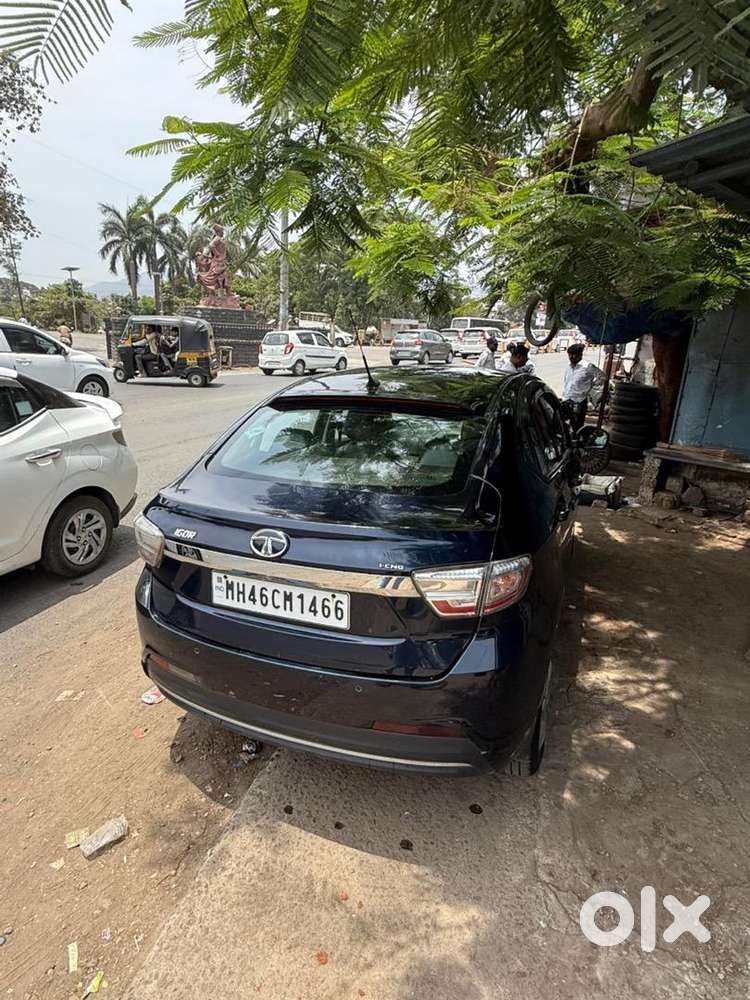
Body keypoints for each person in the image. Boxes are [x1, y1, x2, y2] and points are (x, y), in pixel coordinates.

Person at [561, 343, 606, 429]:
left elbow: (603, 377)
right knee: (564, 425)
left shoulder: (588, 366)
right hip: (567, 400)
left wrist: (592, 384)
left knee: (577, 427)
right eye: (569, 355)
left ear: (580, 355)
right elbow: (566, 382)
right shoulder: (568, 367)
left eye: (574, 354)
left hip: (579, 401)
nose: (571, 357)